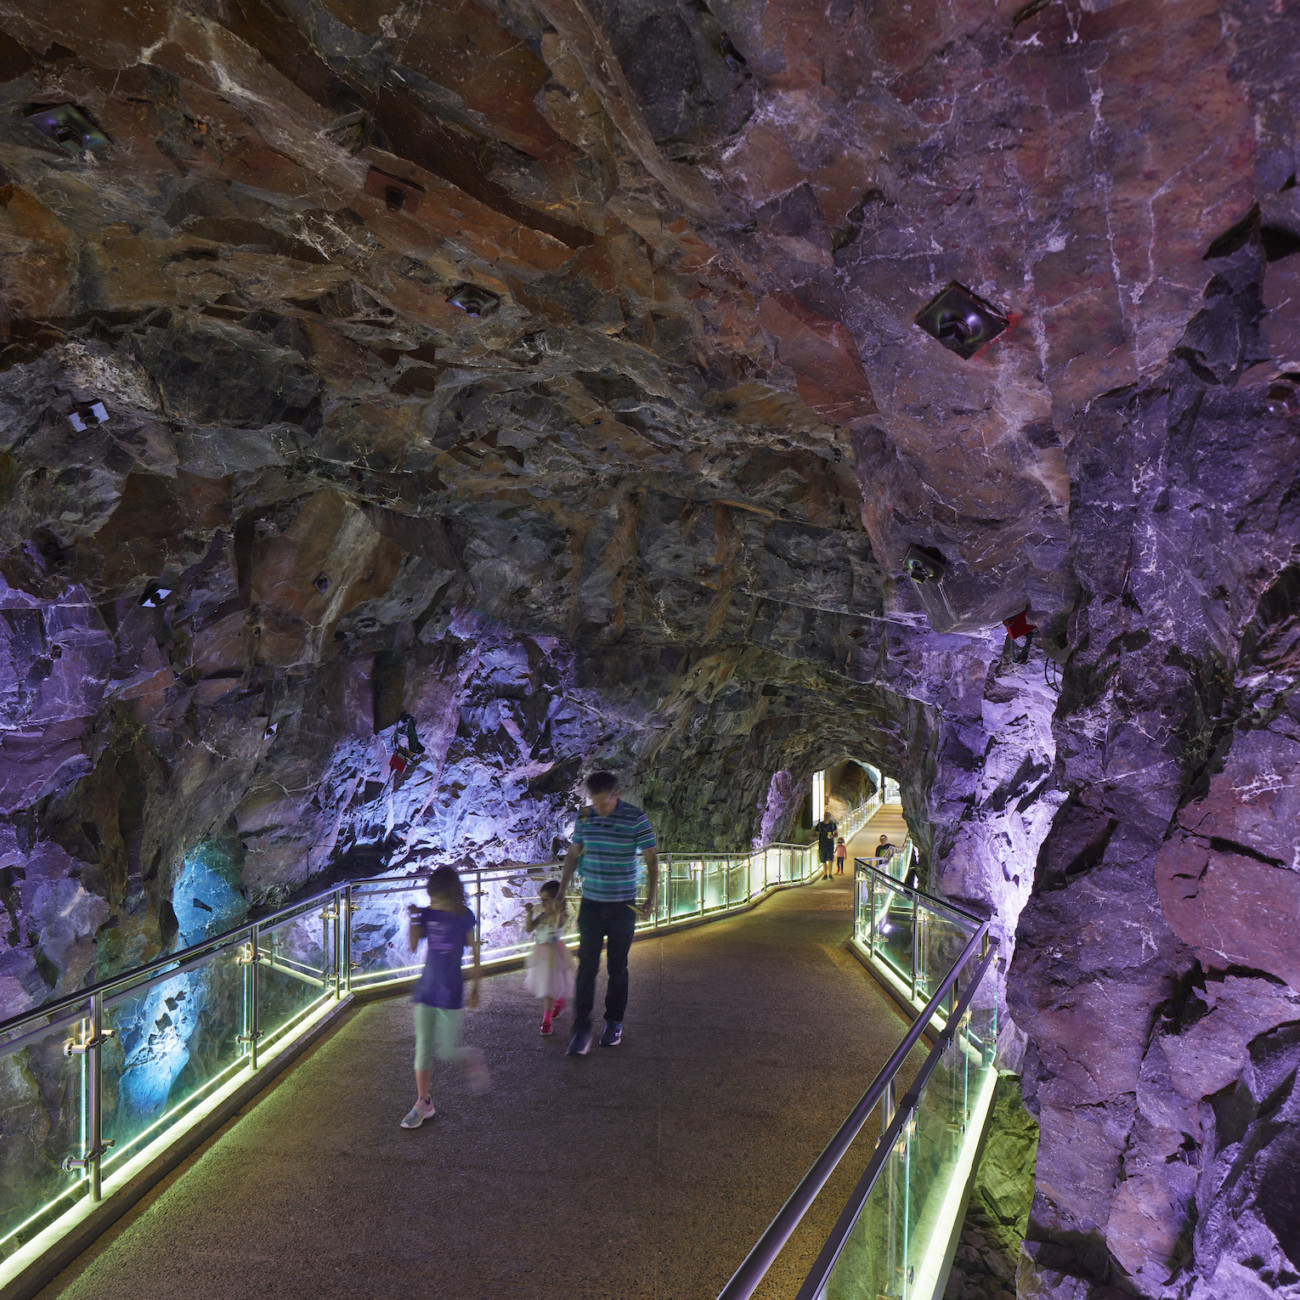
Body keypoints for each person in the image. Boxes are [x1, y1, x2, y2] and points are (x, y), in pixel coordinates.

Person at [558, 771, 658, 1055]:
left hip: (622, 906)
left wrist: (650, 898)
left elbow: (651, 858)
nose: (599, 809)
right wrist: (562, 890)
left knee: (618, 967)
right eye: (595, 803)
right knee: (586, 967)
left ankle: (614, 1022)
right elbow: (573, 853)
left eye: (604, 803)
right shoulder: (585, 817)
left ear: (617, 795)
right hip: (591, 903)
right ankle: (581, 1028)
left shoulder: (635, 818)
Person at [400, 865, 489, 1129]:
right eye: (430, 898)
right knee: (423, 1046)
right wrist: (414, 919)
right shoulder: (429, 914)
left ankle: (468, 1057)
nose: (432, 903)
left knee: (448, 1051)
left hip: (451, 990)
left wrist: (476, 987)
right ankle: (422, 1102)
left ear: (450, 894)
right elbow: (413, 945)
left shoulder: (464, 917)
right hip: (427, 988)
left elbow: (474, 951)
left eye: (436, 898)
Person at [524, 880, 575, 1035]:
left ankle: (546, 1020)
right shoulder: (542, 915)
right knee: (547, 985)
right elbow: (529, 928)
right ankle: (559, 1001)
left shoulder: (560, 916)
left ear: (557, 900)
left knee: (549, 988)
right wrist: (529, 913)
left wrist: (558, 910)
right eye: (542, 899)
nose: (543, 903)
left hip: (554, 955)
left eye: (546, 899)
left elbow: (559, 924)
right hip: (541, 956)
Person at [814, 812, 838, 879]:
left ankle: (830, 874)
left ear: (829, 817)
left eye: (828, 816)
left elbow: (836, 834)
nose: (827, 817)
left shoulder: (832, 825)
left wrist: (832, 836)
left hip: (830, 844)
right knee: (823, 859)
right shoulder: (820, 825)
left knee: (830, 859)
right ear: (824, 816)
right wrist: (813, 837)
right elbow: (816, 834)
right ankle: (825, 874)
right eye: (826, 816)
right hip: (822, 844)